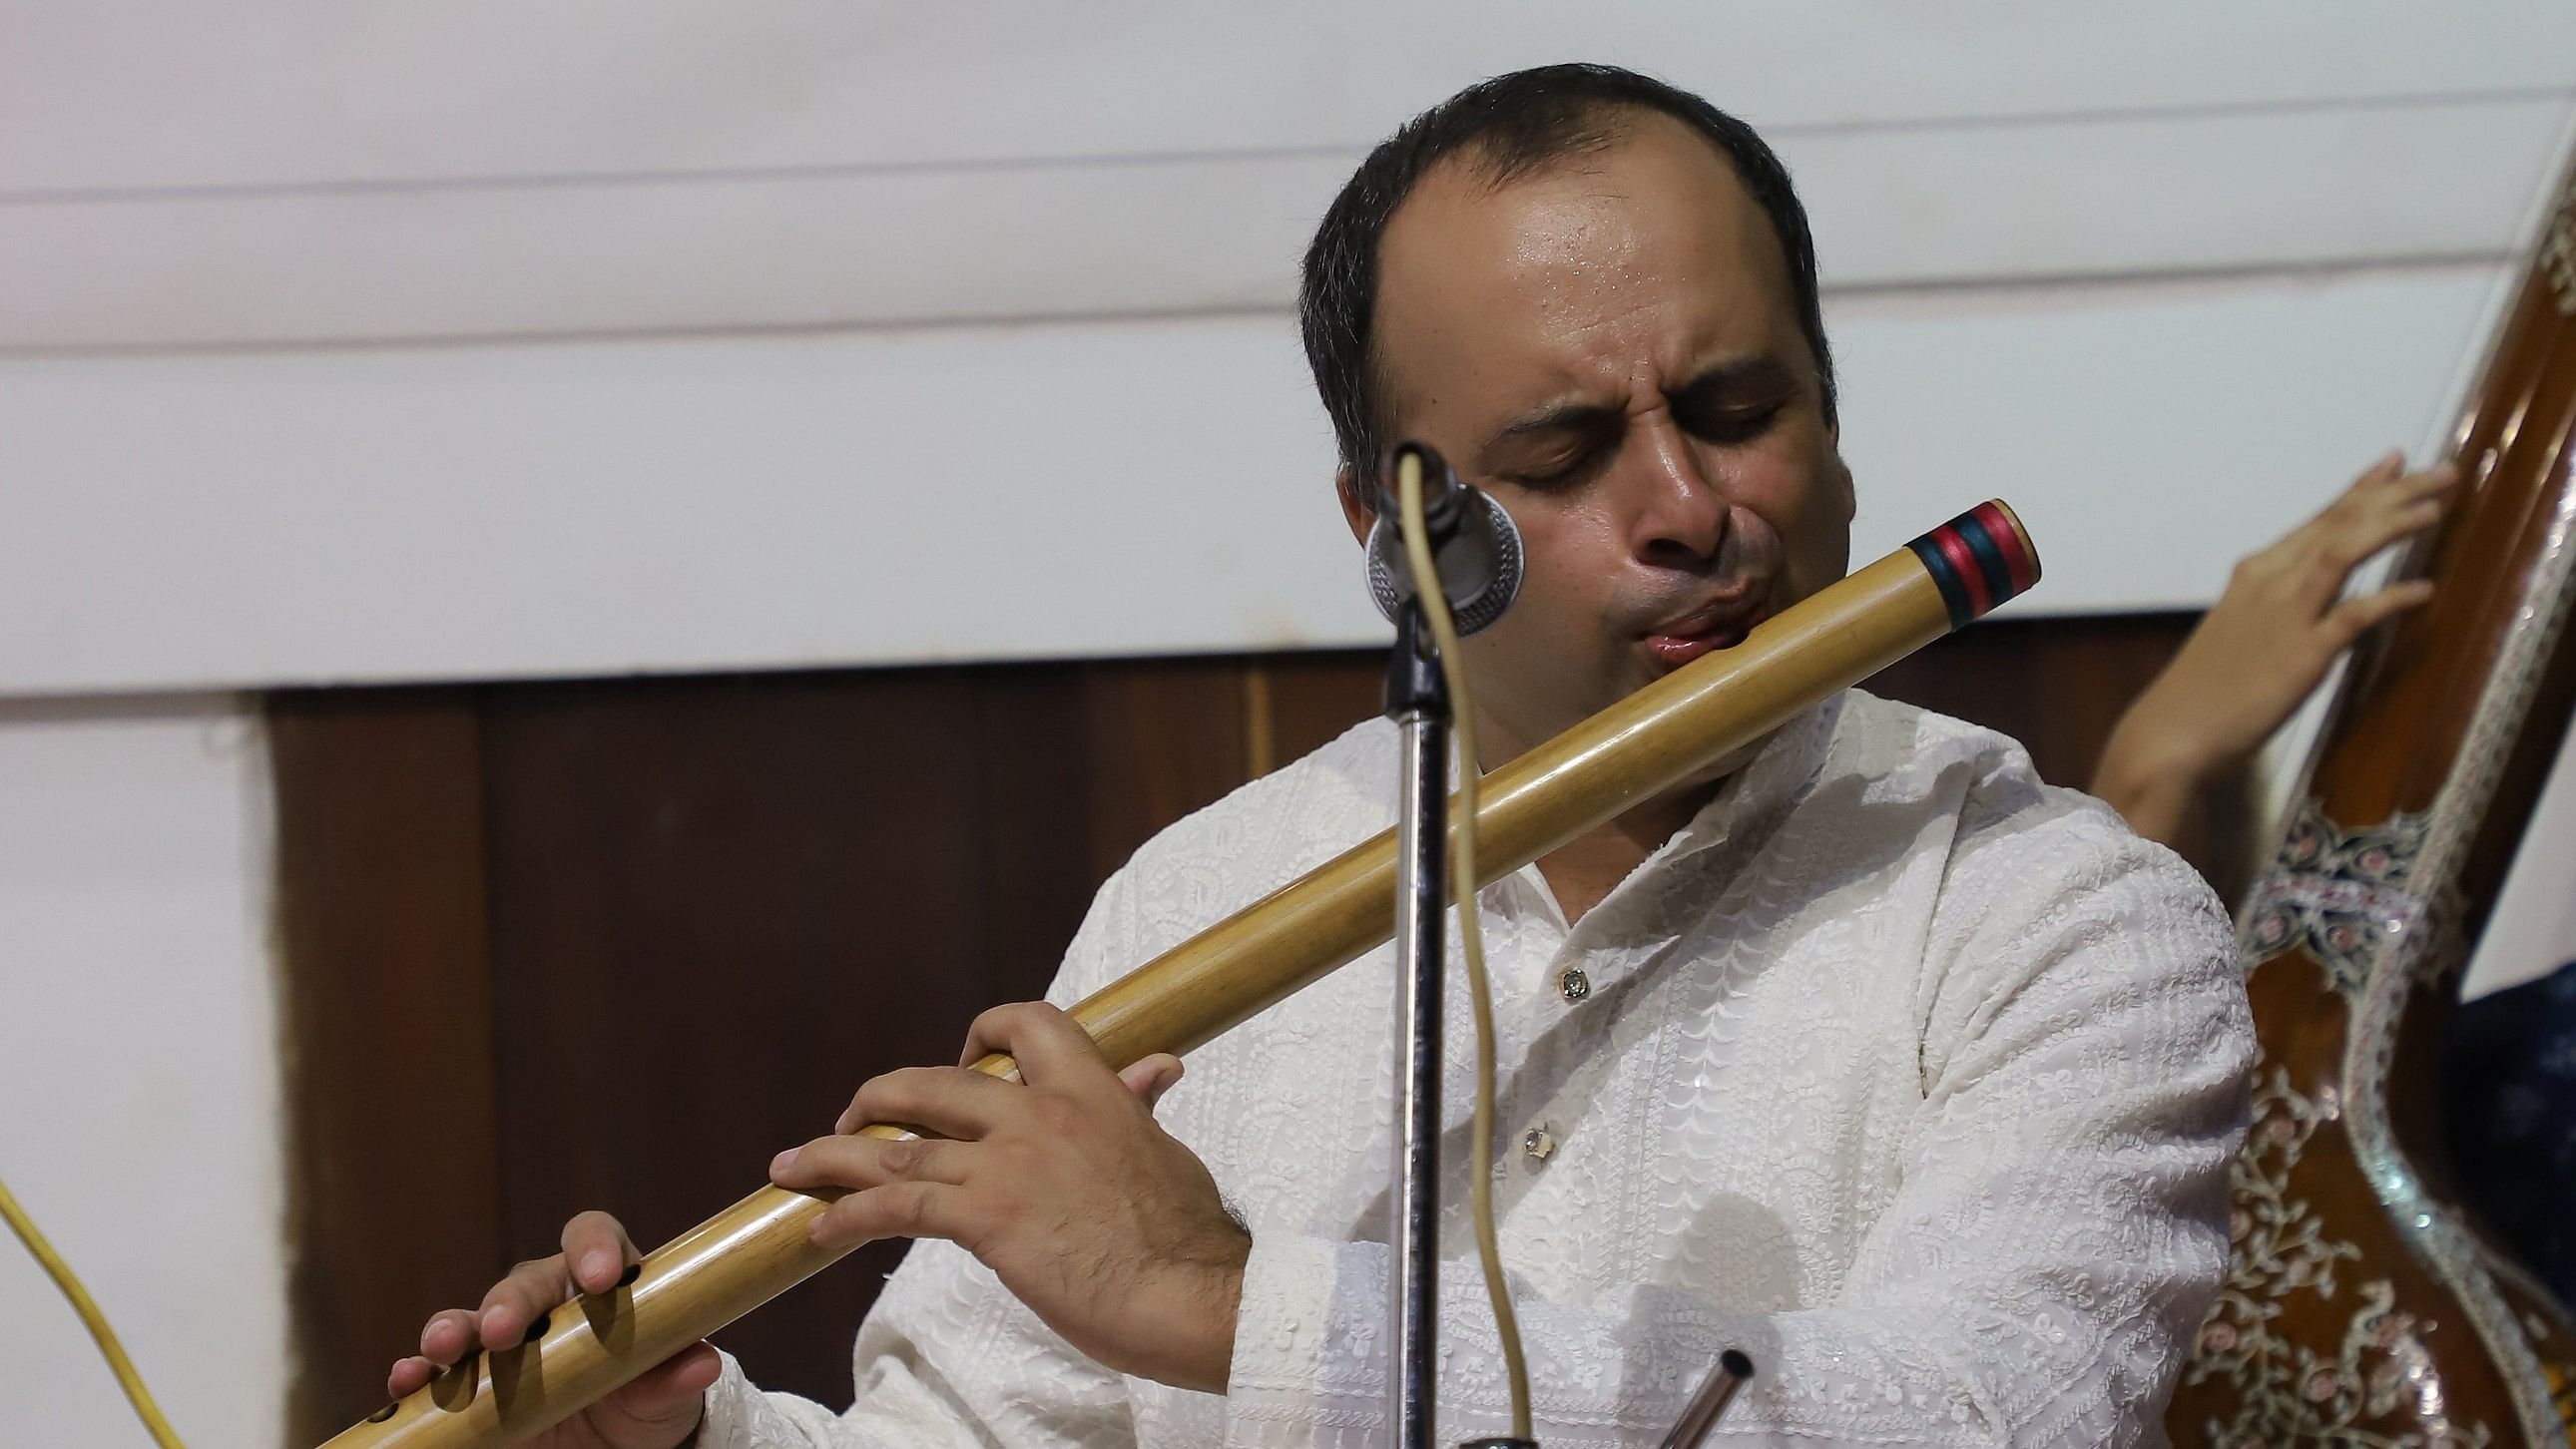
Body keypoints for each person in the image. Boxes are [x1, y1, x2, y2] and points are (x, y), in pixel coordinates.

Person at [388, 65, 2254, 1446]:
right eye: (1563, 453)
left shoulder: (2061, 925)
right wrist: (666, 1439)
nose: (1687, 506)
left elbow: (1987, 1416)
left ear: (1835, 429)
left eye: (1737, 411)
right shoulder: (1208, 895)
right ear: (1395, 532)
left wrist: (1219, 1305)